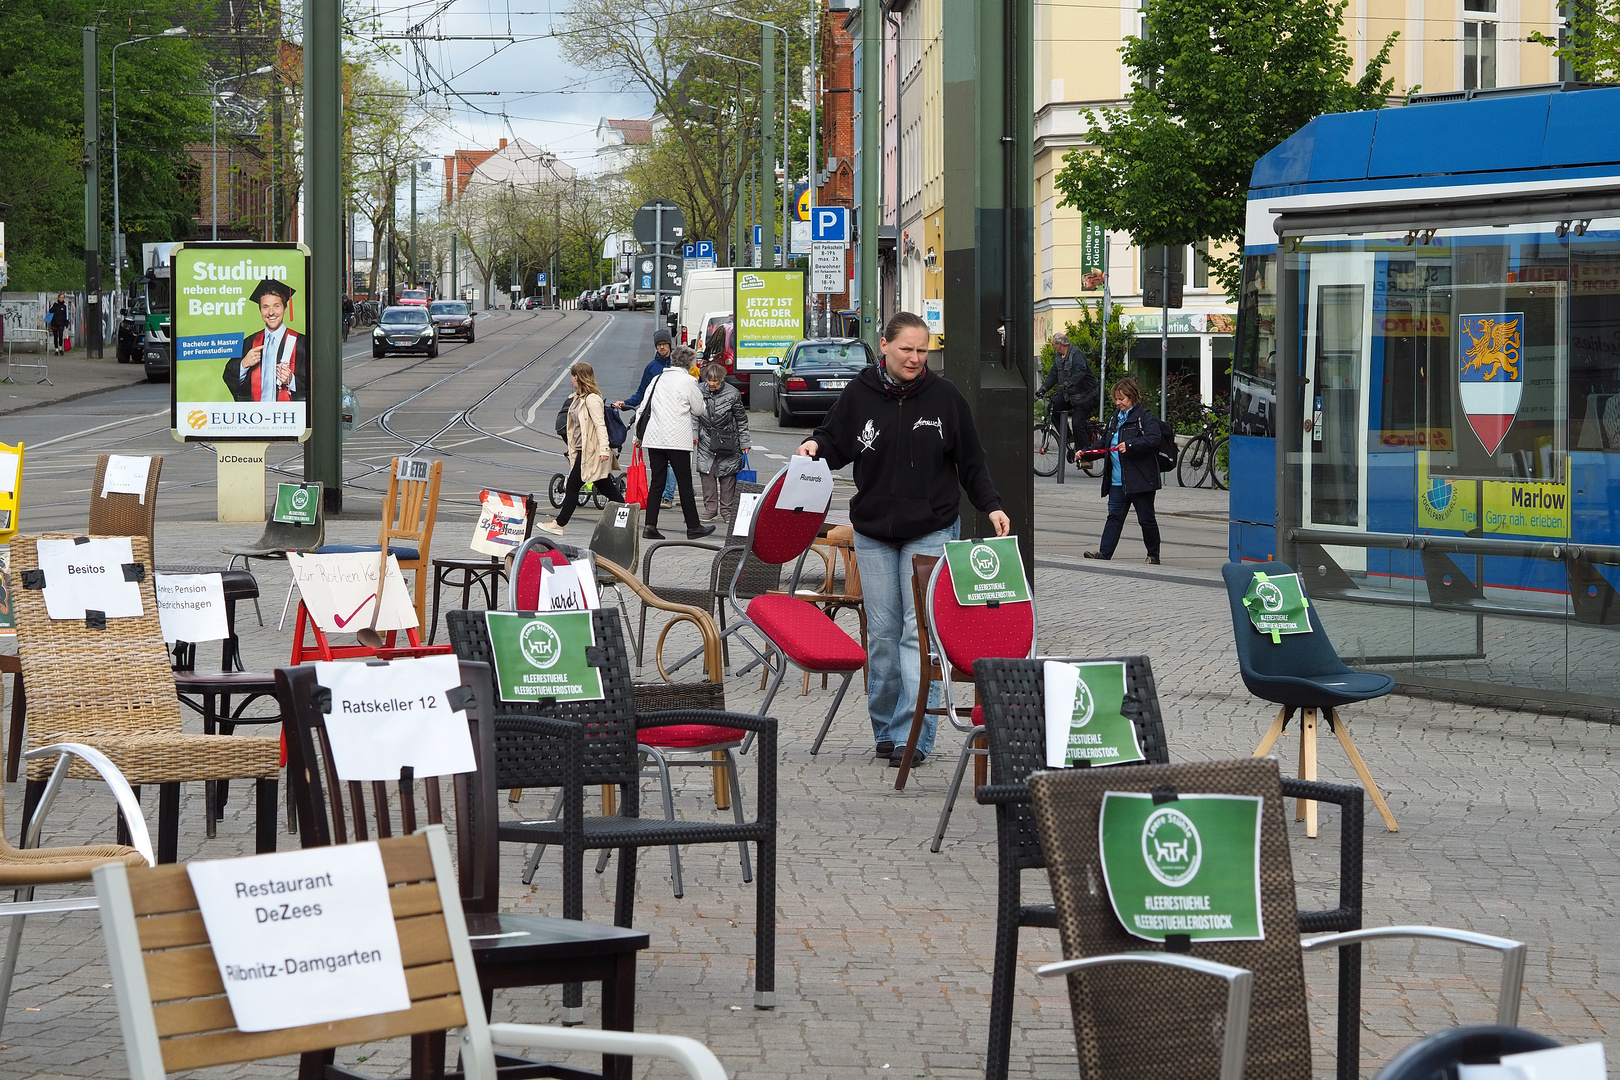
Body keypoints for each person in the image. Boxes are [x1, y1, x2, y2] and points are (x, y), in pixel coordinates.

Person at [798, 311, 1010, 767]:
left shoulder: (945, 398)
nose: (916, 358)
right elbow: (834, 440)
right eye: (907, 349)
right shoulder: (860, 393)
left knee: (917, 634)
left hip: (931, 529)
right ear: (886, 347)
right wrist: (815, 446)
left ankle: (913, 735)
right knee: (883, 634)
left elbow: (972, 461)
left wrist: (990, 504)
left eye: (923, 350)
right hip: (874, 533)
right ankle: (886, 728)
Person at [1076, 375, 1163, 565]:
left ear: (1132, 397)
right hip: (1117, 482)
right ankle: (1104, 554)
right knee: (1114, 517)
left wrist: (1130, 445)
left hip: (1140, 481)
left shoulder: (1144, 417)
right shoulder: (1115, 419)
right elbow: (1104, 444)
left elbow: (1154, 439)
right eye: (1116, 399)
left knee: (1146, 519)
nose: (1118, 403)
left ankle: (1153, 554)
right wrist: (1086, 452)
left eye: (1122, 398)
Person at [635, 343, 714, 542]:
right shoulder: (689, 381)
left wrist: (638, 436)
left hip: (654, 438)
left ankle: (650, 526)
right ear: (689, 363)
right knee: (684, 483)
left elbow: (643, 408)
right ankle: (693, 527)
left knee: (657, 482)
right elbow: (698, 410)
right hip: (677, 439)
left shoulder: (657, 378)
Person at [540, 361, 622, 533]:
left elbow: (600, 425)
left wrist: (604, 450)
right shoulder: (578, 398)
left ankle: (559, 524)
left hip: (591, 451)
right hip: (581, 451)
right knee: (606, 486)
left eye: (572, 377)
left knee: (572, 486)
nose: (571, 380)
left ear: (577, 377)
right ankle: (627, 514)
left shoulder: (592, 399)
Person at [224, 278, 309, 403]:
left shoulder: (302, 343)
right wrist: (244, 364)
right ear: (260, 310)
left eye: (276, 306)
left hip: (290, 418)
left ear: (285, 308)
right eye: (265, 307)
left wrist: (292, 380)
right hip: (258, 417)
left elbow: (317, 382)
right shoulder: (249, 343)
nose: (271, 312)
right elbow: (229, 376)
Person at [695, 360, 750, 522]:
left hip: (728, 440)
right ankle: (710, 509)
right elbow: (694, 416)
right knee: (706, 473)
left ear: (721, 380)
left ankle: (727, 511)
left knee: (727, 475)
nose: (711, 384)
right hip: (706, 439)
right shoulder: (698, 391)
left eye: (715, 381)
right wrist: (694, 435)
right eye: (709, 380)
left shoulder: (733, 394)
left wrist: (745, 442)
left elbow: (742, 420)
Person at [1037, 331, 1099, 450]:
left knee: (1077, 424)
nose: (1053, 347)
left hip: (1085, 396)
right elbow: (1053, 375)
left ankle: (1086, 456)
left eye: (1053, 344)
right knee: (1052, 408)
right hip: (1070, 395)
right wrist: (1043, 389)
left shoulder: (1076, 354)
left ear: (1060, 344)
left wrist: (1067, 384)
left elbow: (1080, 371)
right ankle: (1068, 437)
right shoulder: (1059, 358)